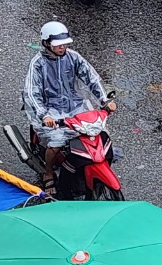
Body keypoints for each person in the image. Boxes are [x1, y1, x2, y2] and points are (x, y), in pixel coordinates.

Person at [22, 21, 112, 194]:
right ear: (46, 43)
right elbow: (32, 93)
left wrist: (104, 100)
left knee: (98, 134)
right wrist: (43, 115)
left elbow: (92, 78)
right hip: (51, 111)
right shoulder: (37, 64)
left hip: (76, 106)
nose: (62, 48)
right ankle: (48, 173)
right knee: (55, 144)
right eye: (58, 45)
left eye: (64, 44)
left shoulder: (74, 57)